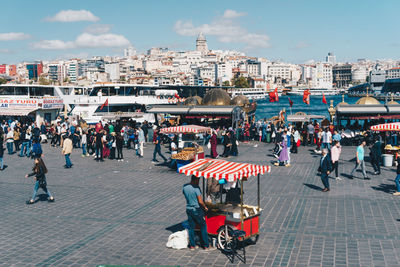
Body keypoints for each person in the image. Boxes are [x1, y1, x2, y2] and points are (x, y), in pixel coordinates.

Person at [182, 175, 213, 250]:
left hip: (189, 209)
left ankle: (192, 245)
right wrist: (205, 207)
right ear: (195, 180)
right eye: (198, 180)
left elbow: (185, 195)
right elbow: (200, 201)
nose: (198, 182)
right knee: (203, 226)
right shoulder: (196, 188)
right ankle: (206, 245)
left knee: (191, 227)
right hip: (196, 210)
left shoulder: (185, 186)